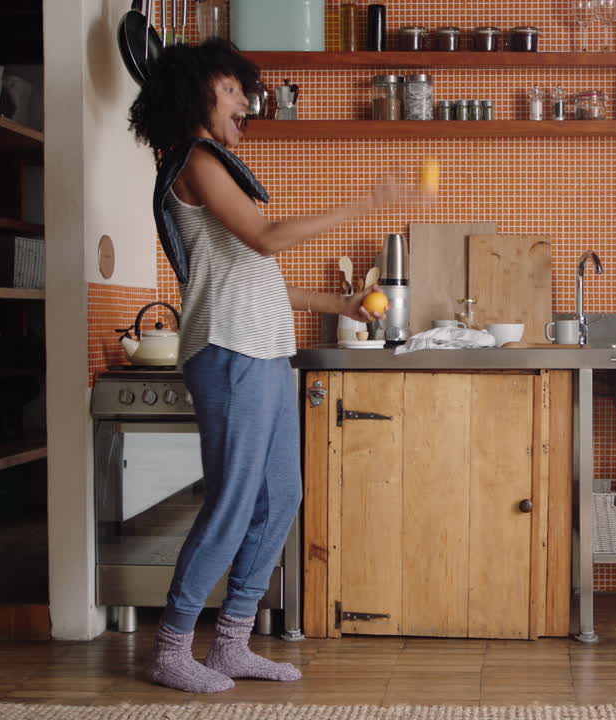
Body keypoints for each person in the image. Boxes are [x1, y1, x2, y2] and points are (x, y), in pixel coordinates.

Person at [128, 39, 407, 693]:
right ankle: (172, 648)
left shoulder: (214, 165)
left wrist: (336, 303)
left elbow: (256, 277)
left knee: (280, 496)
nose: (243, 102)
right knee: (233, 502)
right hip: (229, 351)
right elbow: (264, 238)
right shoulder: (195, 159)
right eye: (229, 90)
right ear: (194, 95)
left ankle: (231, 645)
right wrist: (363, 204)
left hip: (263, 349)